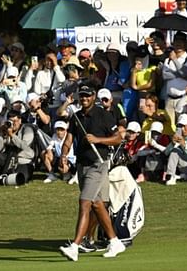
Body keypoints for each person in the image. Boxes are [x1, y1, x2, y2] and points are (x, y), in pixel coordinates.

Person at [58, 84, 126, 261]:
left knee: (85, 202)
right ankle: (114, 241)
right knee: (97, 204)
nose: (84, 98)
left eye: (88, 95)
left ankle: (75, 245)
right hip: (82, 165)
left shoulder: (104, 115)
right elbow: (69, 139)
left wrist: (98, 140)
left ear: (94, 96)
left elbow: (118, 138)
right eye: (82, 96)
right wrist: (64, 155)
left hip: (98, 164)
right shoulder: (77, 117)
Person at [156, 113, 187, 185]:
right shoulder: (177, 135)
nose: (182, 129)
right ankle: (170, 176)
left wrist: (184, 145)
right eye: (179, 126)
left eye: (184, 126)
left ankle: (182, 177)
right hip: (184, 163)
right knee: (174, 151)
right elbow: (166, 152)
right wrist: (172, 144)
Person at [0, 109, 36, 185]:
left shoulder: (27, 129)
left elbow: (24, 146)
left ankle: (4, 175)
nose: (13, 124)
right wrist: (1, 134)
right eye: (10, 121)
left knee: (21, 179)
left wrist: (12, 135)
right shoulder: (7, 130)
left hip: (24, 159)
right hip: (8, 159)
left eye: (15, 121)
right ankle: (5, 176)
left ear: (20, 120)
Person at [161, 32, 187, 124]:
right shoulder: (167, 59)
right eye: (176, 40)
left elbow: (186, 75)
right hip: (169, 99)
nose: (178, 43)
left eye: (181, 41)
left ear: (185, 43)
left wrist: (175, 60)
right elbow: (164, 75)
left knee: (182, 126)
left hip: (184, 98)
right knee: (170, 128)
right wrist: (179, 73)